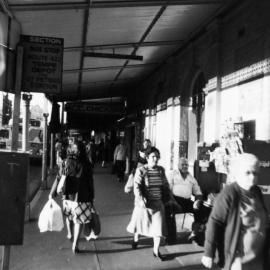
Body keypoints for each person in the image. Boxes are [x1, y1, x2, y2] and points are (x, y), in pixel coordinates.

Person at [202, 153, 270, 270]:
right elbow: (214, 221)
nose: (252, 177)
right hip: (238, 260)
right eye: (247, 173)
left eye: (255, 173)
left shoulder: (256, 191)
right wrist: (209, 253)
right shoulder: (229, 193)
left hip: (258, 258)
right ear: (238, 172)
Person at [127, 147, 173, 260]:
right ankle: (136, 239)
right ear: (147, 158)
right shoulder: (141, 170)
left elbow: (166, 185)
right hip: (144, 205)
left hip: (158, 204)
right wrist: (141, 198)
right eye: (153, 156)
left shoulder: (161, 170)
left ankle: (156, 251)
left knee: (158, 229)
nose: (155, 159)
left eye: (157, 157)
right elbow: (136, 186)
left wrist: (169, 197)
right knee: (139, 225)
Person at [49, 141, 95, 253]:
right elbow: (90, 182)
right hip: (82, 196)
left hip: (67, 196)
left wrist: (52, 193)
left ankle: (70, 234)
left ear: (70, 150)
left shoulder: (65, 162)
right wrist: (92, 197)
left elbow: (59, 178)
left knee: (69, 217)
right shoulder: (87, 164)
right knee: (79, 221)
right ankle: (75, 244)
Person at [165, 157, 203, 244]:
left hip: (187, 201)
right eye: (183, 164)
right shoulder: (172, 175)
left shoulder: (191, 178)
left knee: (201, 210)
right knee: (169, 211)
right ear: (178, 165)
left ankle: (194, 234)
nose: (185, 166)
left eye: (186, 164)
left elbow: (198, 192)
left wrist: (197, 201)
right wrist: (173, 201)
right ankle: (171, 238)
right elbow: (168, 191)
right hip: (174, 200)